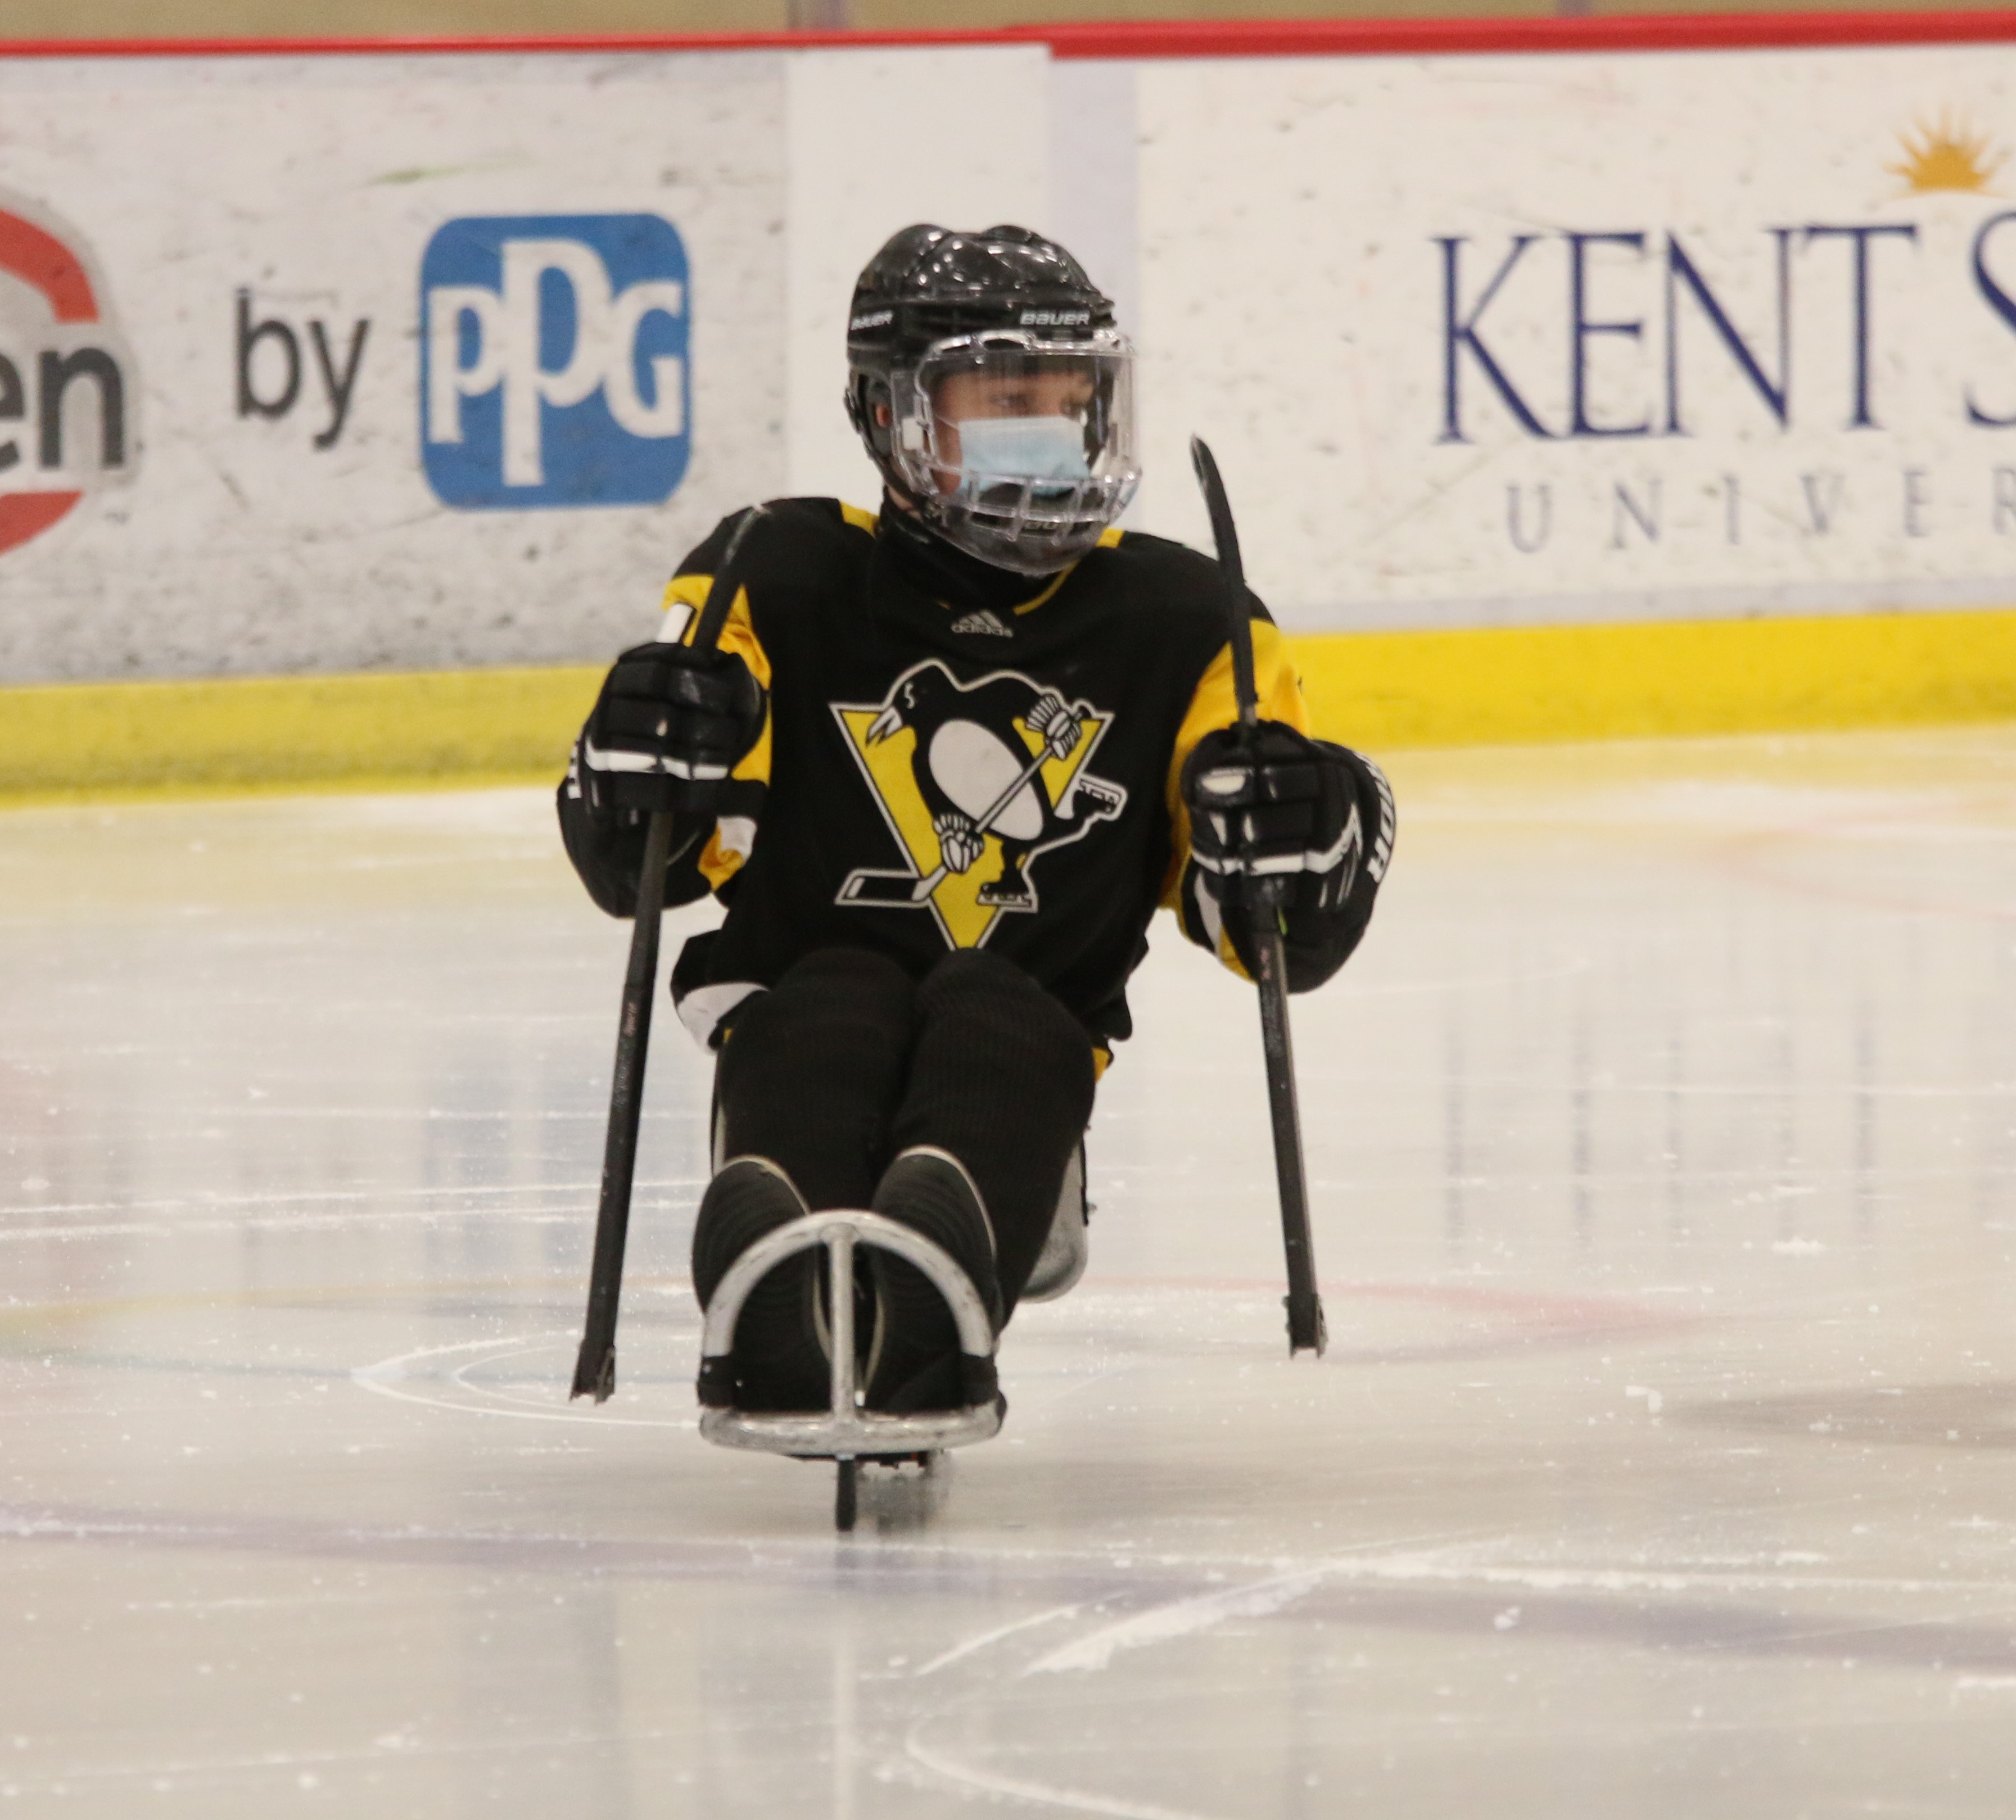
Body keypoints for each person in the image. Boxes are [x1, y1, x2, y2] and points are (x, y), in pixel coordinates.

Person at [557, 223, 1394, 1418]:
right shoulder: (776, 574)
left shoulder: (1185, 618)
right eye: (1004, 397)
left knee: (994, 1014)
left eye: (1071, 397)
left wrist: (1315, 834)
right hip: (797, 1000)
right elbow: (643, 859)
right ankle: (780, 1287)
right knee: (831, 1001)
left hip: (1028, 1038)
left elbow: (1271, 927)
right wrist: (634, 769)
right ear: (892, 415)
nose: (1049, 429)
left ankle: (927, 1292)